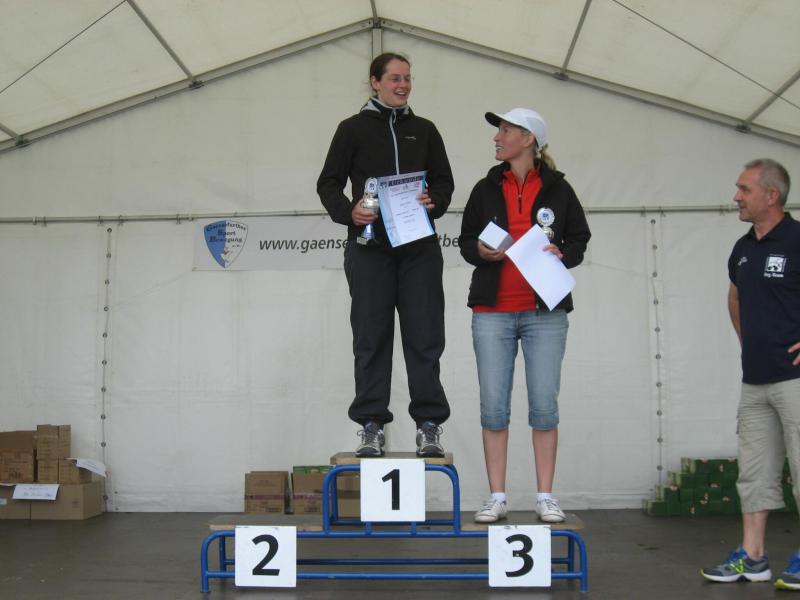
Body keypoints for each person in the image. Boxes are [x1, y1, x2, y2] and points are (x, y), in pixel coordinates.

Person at [317, 52, 453, 458]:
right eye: (394, 78)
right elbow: (328, 183)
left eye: (407, 78)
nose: (403, 85)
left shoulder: (425, 130)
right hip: (369, 249)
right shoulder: (351, 129)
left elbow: (444, 182)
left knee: (425, 338)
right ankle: (371, 425)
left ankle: (428, 426)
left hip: (419, 250)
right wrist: (350, 212)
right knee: (371, 338)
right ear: (375, 82)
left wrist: (434, 201)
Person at [459, 108, 590, 523]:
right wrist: (479, 251)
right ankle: (497, 496)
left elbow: (580, 237)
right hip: (492, 311)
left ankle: (545, 496)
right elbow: (466, 240)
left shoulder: (559, 188)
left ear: (529, 139)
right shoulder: (484, 188)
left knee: (544, 406)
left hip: (544, 312)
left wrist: (564, 252)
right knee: (493, 407)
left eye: (505, 130)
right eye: (498, 130)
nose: (497, 137)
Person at [702, 159, 800, 590]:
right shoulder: (743, 247)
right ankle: (753, 556)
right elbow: (735, 298)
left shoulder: (797, 240)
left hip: (795, 379)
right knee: (754, 473)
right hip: (755, 380)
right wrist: (750, 342)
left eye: (744, 189)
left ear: (771, 195)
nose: (736, 197)